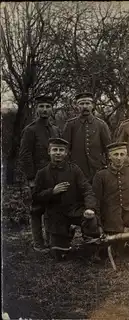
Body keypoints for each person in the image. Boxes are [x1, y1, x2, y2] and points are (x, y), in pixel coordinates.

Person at [32, 138, 100, 253]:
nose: (58, 153)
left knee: (91, 218)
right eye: (55, 150)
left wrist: (90, 208)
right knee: (59, 252)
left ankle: (91, 242)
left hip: (74, 210)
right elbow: (35, 196)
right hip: (55, 214)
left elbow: (87, 189)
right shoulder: (42, 173)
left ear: (66, 153)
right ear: (49, 152)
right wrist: (51, 192)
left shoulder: (74, 170)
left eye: (61, 150)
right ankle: (66, 235)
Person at [18, 95, 60, 252]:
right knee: (36, 209)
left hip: (54, 175)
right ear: (36, 109)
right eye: (41, 106)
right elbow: (25, 155)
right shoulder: (30, 130)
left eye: (48, 107)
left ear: (52, 109)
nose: (44, 110)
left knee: (52, 208)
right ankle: (38, 242)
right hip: (37, 176)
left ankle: (51, 239)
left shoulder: (55, 129)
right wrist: (30, 178)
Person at [62, 92, 112, 180]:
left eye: (88, 103)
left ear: (92, 105)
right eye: (81, 103)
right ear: (77, 106)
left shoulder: (101, 124)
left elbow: (108, 149)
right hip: (77, 169)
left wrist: (108, 166)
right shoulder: (70, 125)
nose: (85, 106)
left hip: (97, 169)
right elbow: (65, 149)